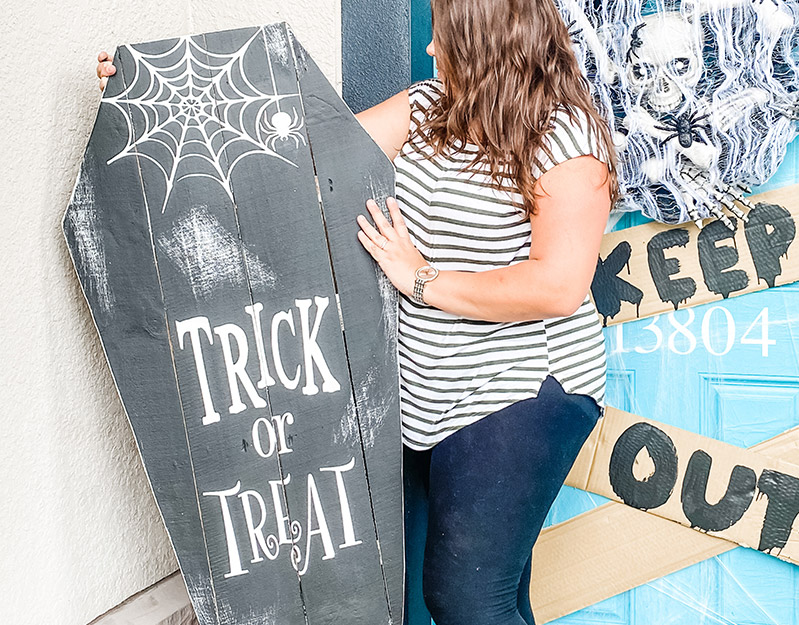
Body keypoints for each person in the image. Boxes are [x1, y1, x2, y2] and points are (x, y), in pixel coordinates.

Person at [97, 1, 616, 623]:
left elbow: (556, 286)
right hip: (425, 397)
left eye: (444, 36)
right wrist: (149, 102)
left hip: (520, 390)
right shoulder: (429, 109)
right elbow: (299, 154)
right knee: (452, 595)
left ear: (487, 42)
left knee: (466, 597)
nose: (430, 49)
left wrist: (421, 278)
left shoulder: (565, 140)